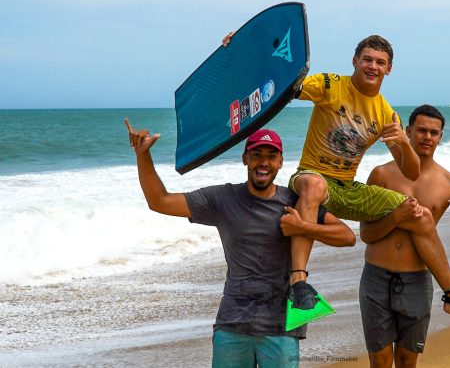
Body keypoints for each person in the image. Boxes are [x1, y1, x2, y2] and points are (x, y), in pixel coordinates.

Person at [222, 33, 450, 326]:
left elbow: (412, 172)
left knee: (419, 212)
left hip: (346, 188)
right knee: (315, 184)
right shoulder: (330, 85)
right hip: (310, 175)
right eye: (367, 59)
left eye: (380, 62)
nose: (372, 66)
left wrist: (402, 141)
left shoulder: (386, 115)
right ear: (355, 61)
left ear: (389, 69)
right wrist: (247, 51)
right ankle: (298, 283)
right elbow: (281, 87)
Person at [124, 120, 356, 368]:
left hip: (281, 326)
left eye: (271, 156)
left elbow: (347, 236)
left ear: (280, 162)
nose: (263, 162)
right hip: (233, 322)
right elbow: (159, 201)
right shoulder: (222, 199)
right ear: (245, 159)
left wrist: (303, 227)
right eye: (256, 155)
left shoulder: (295, 202)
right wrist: (143, 155)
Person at [359, 105, 450, 367]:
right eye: (421, 130)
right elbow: (366, 234)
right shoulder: (381, 174)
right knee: (380, 361)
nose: (427, 137)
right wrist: (396, 217)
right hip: (376, 277)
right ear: (408, 131)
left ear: (441, 137)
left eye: (434, 132)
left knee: (408, 361)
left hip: (417, 281)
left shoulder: (449, 183)